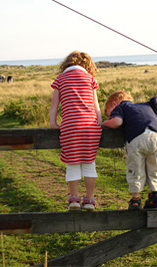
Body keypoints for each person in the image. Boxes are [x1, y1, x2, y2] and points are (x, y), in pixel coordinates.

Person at [50, 51, 102, 211]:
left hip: (70, 127)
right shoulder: (90, 79)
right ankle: (90, 199)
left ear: (66, 64)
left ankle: (73, 199)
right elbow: (96, 106)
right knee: (89, 164)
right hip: (90, 127)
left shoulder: (60, 80)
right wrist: (98, 124)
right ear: (87, 66)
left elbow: (54, 106)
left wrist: (53, 123)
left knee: (72, 165)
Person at [102, 90, 157, 210]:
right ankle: (155, 192)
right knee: (155, 167)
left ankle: (135, 199)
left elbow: (117, 122)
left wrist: (105, 123)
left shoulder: (121, 106)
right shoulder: (146, 105)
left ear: (114, 103)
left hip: (137, 138)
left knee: (135, 169)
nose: (109, 115)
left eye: (108, 111)